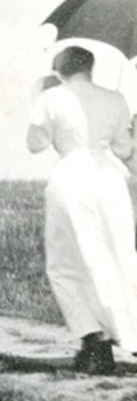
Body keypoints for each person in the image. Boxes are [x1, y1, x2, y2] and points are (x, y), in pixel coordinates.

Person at [27, 45, 137, 374]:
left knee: (66, 264)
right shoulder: (115, 98)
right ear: (90, 68)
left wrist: (40, 98)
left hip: (71, 178)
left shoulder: (51, 97)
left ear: (60, 68)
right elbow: (125, 148)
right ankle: (131, 332)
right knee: (118, 256)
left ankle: (94, 342)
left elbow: (35, 144)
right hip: (110, 179)